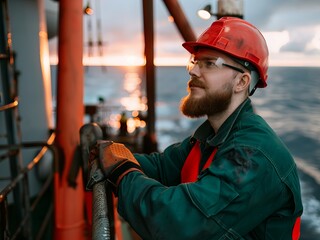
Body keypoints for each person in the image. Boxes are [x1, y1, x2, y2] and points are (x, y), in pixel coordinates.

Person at [90, 17, 303, 240]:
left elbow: (179, 224)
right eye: (195, 61)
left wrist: (122, 173)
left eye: (209, 63)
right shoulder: (211, 136)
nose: (193, 72)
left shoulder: (253, 155)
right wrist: (113, 155)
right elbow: (163, 168)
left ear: (241, 82)